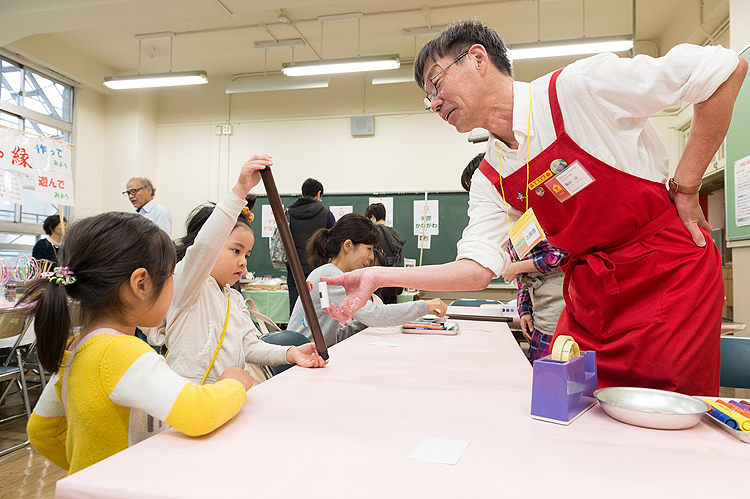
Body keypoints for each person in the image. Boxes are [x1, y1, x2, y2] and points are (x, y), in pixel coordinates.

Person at [324, 19, 748, 396]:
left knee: (664, 426)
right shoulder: (490, 176)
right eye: (426, 97)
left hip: (669, 281)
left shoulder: (577, 89)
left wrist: (688, 186)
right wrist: (379, 275)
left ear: (477, 59)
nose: (433, 103)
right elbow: (476, 270)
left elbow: (723, 70)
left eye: (435, 83)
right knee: (564, 410)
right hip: (591, 299)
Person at [24, 212, 254, 475]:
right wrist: (234, 384)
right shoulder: (122, 353)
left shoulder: (79, 347)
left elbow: (41, 430)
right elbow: (198, 412)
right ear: (141, 284)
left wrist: (89, 468)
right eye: (170, 276)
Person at [156, 155, 327, 385]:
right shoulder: (187, 284)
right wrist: (240, 190)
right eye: (236, 251)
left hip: (225, 399)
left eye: (247, 254)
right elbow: (205, 246)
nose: (243, 261)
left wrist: (290, 353)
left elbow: (249, 345)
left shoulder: (234, 299)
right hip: (188, 403)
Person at [287, 213, 446, 347]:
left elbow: (332, 337)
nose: (371, 257)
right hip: (300, 363)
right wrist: (424, 306)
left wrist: (364, 321)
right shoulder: (330, 275)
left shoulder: (330, 273)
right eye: (369, 249)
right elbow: (375, 315)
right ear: (348, 246)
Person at [501, 241, 566, 363]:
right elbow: (523, 278)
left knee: (556, 357)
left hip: (557, 297)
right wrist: (524, 310)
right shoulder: (512, 227)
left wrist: (517, 267)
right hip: (539, 307)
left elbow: (558, 255)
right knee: (538, 363)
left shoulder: (548, 223)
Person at [286, 178, 335, 315]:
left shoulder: (289, 213)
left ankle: (296, 335)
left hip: (294, 269)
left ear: (302, 194)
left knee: (295, 310)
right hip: (319, 270)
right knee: (320, 310)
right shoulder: (327, 214)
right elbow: (334, 242)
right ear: (319, 194)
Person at [364, 202, 406, 304]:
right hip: (394, 282)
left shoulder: (374, 234)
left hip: (379, 286)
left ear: (372, 217)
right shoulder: (396, 234)